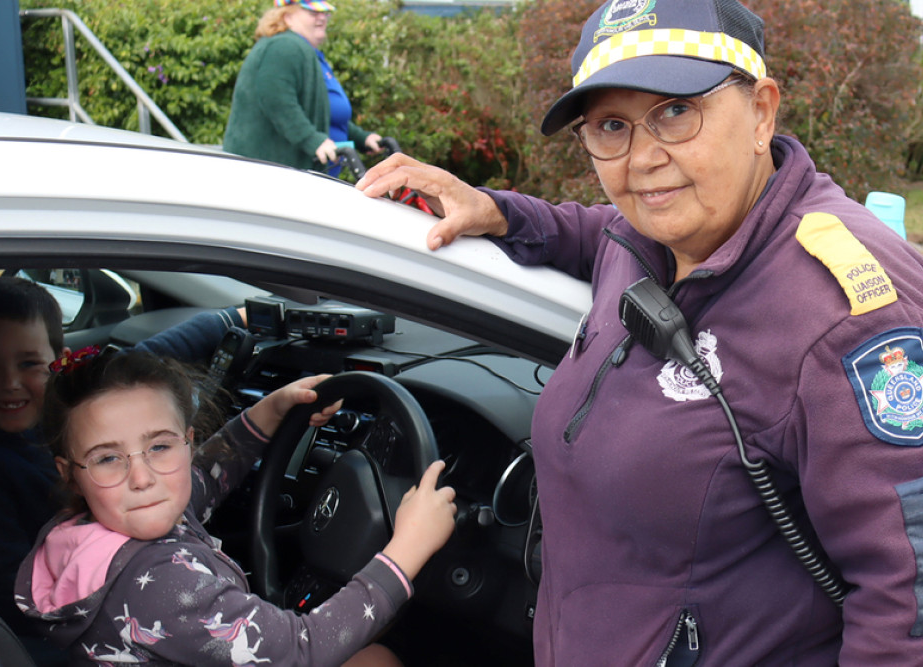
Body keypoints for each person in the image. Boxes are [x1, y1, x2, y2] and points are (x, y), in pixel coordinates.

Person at [356, 0, 923, 663]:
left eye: (676, 112)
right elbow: (601, 229)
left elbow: (906, 598)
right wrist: (500, 212)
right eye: (612, 126)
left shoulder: (847, 313)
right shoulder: (660, 228)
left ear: (762, 111)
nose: (644, 159)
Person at [13, 348, 457, 666]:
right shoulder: (160, 588)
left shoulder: (96, 530)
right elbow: (302, 651)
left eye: (160, 446)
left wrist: (275, 408)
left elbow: (209, 473)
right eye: (108, 458)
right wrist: (408, 548)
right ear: (69, 472)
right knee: (376, 659)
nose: (143, 477)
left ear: (187, 443)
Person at [0, 275, 246, 643]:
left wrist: (232, 319)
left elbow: (139, 363)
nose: (10, 382)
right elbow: (9, 599)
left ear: (58, 363)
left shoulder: (63, 415)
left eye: (29, 363)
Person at [222, 0, 382, 176]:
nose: (322, 18)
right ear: (287, 17)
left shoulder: (304, 50)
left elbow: (321, 110)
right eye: (313, 13)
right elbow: (277, 102)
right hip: (270, 174)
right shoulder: (283, 47)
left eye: (324, 13)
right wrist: (313, 140)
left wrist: (361, 138)